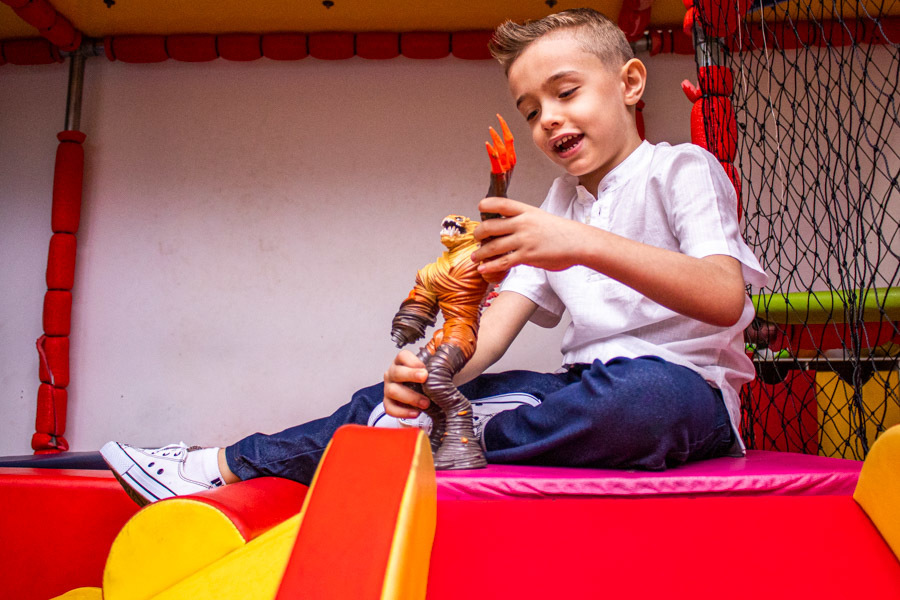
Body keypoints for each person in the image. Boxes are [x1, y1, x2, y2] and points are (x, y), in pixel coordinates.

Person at [101, 8, 767, 506]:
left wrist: (580, 244)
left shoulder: (682, 168)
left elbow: (723, 296)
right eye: (530, 111)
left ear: (628, 83)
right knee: (397, 400)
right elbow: (494, 332)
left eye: (566, 94)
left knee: (644, 400)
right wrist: (433, 371)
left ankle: (436, 438)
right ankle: (219, 465)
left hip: (685, 398)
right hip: (582, 393)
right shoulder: (556, 204)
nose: (549, 122)